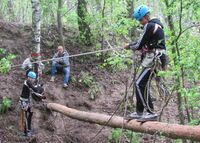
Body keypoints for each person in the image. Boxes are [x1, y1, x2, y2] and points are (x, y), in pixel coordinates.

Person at [124, 5, 167, 121]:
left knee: (139, 83)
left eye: (140, 20)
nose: (140, 22)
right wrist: (133, 45)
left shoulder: (150, 25)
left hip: (155, 58)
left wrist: (129, 46)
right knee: (142, 84)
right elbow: (142, 42)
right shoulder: (154, 25)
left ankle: (149, 112)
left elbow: (139, 44)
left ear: (146, 17)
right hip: (156, 58)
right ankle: (140, 112)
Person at [18, 71, 45, 137]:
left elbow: (34, 90)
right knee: (26, 117)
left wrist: (40, 93)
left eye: (34, 78)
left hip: (28, 101)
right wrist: (40, 87)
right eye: (32, 78)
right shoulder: (27, 81)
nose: (33, 80)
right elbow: (35, 89)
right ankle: (25, 132)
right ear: (29, 77)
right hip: (24, 102)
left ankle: (29, 130)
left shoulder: (29, 82)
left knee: (30, 114)